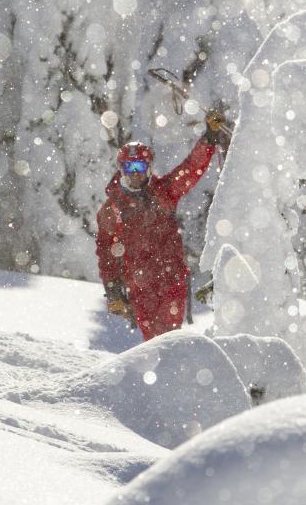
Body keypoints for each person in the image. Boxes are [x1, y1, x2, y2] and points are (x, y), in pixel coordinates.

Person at [96, 111, 230, 341]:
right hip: (140, 287)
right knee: (154, 342)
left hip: (171, 281)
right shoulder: (112, 208)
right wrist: (113, 290)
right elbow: (106, 253)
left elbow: (189, 171)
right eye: (130, 168)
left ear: (148, 168)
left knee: (168, 339)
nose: (135, 174)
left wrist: (209, 137)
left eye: (139, 167)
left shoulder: (162, 193)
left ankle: (168, 372)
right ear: (121, 170)